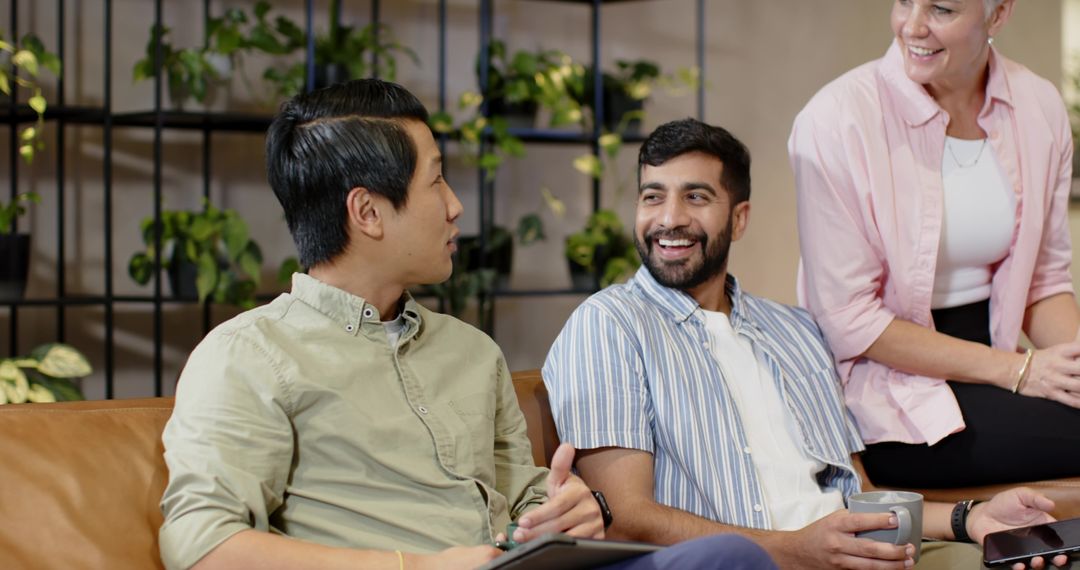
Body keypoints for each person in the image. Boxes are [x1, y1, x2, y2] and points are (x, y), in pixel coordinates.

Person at [158, 79, 774, 570]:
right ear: (367, 211)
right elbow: (204, 544)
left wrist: (570, 511)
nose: (455, 206)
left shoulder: (472, 351)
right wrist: (414, 567)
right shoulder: (247, 355)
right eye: (435, 180)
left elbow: (530, 502)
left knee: (729, 557)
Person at [543, 118, 1071, 569]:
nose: (669, 218)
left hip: (846, 552)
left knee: (1031, 559)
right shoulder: (607, 325)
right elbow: (626, 514)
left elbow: (856, 493)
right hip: (743, 563)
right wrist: (796, 551)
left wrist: (972, 516)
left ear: (740, 218)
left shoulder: (794, 330)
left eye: (696, 197)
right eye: (652, 196)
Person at [789, 0, 1080, 489]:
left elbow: (1044, 281)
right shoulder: (835, 120)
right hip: (883, 386)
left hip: (997, 364)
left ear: (999, 13)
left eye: (942, 9)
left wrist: (1072, 366)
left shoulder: (1039, 106)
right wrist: (1017, 371)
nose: (913, 25)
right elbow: (849, 321)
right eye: (904, 1)